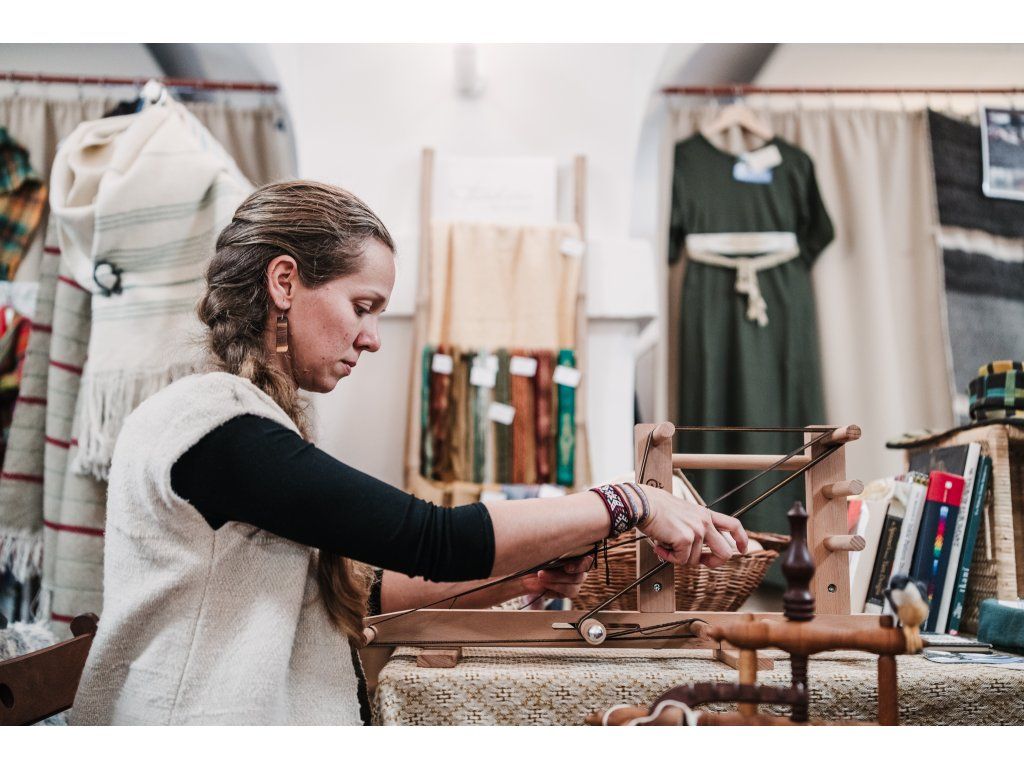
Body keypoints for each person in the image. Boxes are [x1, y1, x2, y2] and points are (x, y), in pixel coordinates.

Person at [71, 180, 748, 725]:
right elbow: (430, 537)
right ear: (284, 282)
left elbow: (363, 591)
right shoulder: (212, 426)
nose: (372, 337)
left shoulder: (241, 422)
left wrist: (524, 580)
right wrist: (628, 502)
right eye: (362, 305)